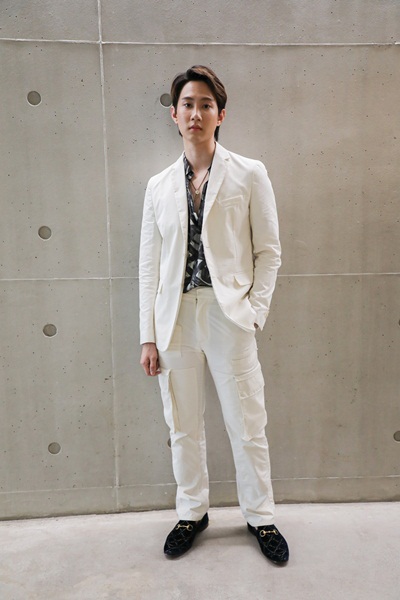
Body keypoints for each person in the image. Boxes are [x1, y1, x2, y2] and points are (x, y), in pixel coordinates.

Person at [139, 65, 289, 564]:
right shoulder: (157, 186)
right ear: (174, 115)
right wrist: (148, 337)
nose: (196, 113)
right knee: (182, 424)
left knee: (247, 421)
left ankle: (261, 517)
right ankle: (192, 512)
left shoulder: (249, 173)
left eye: (206, 104)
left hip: (230, 316)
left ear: (220, 114)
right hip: (175, 318)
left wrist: (254, 312)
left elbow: (269, 251)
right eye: (187, 104)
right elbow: (148, 268)